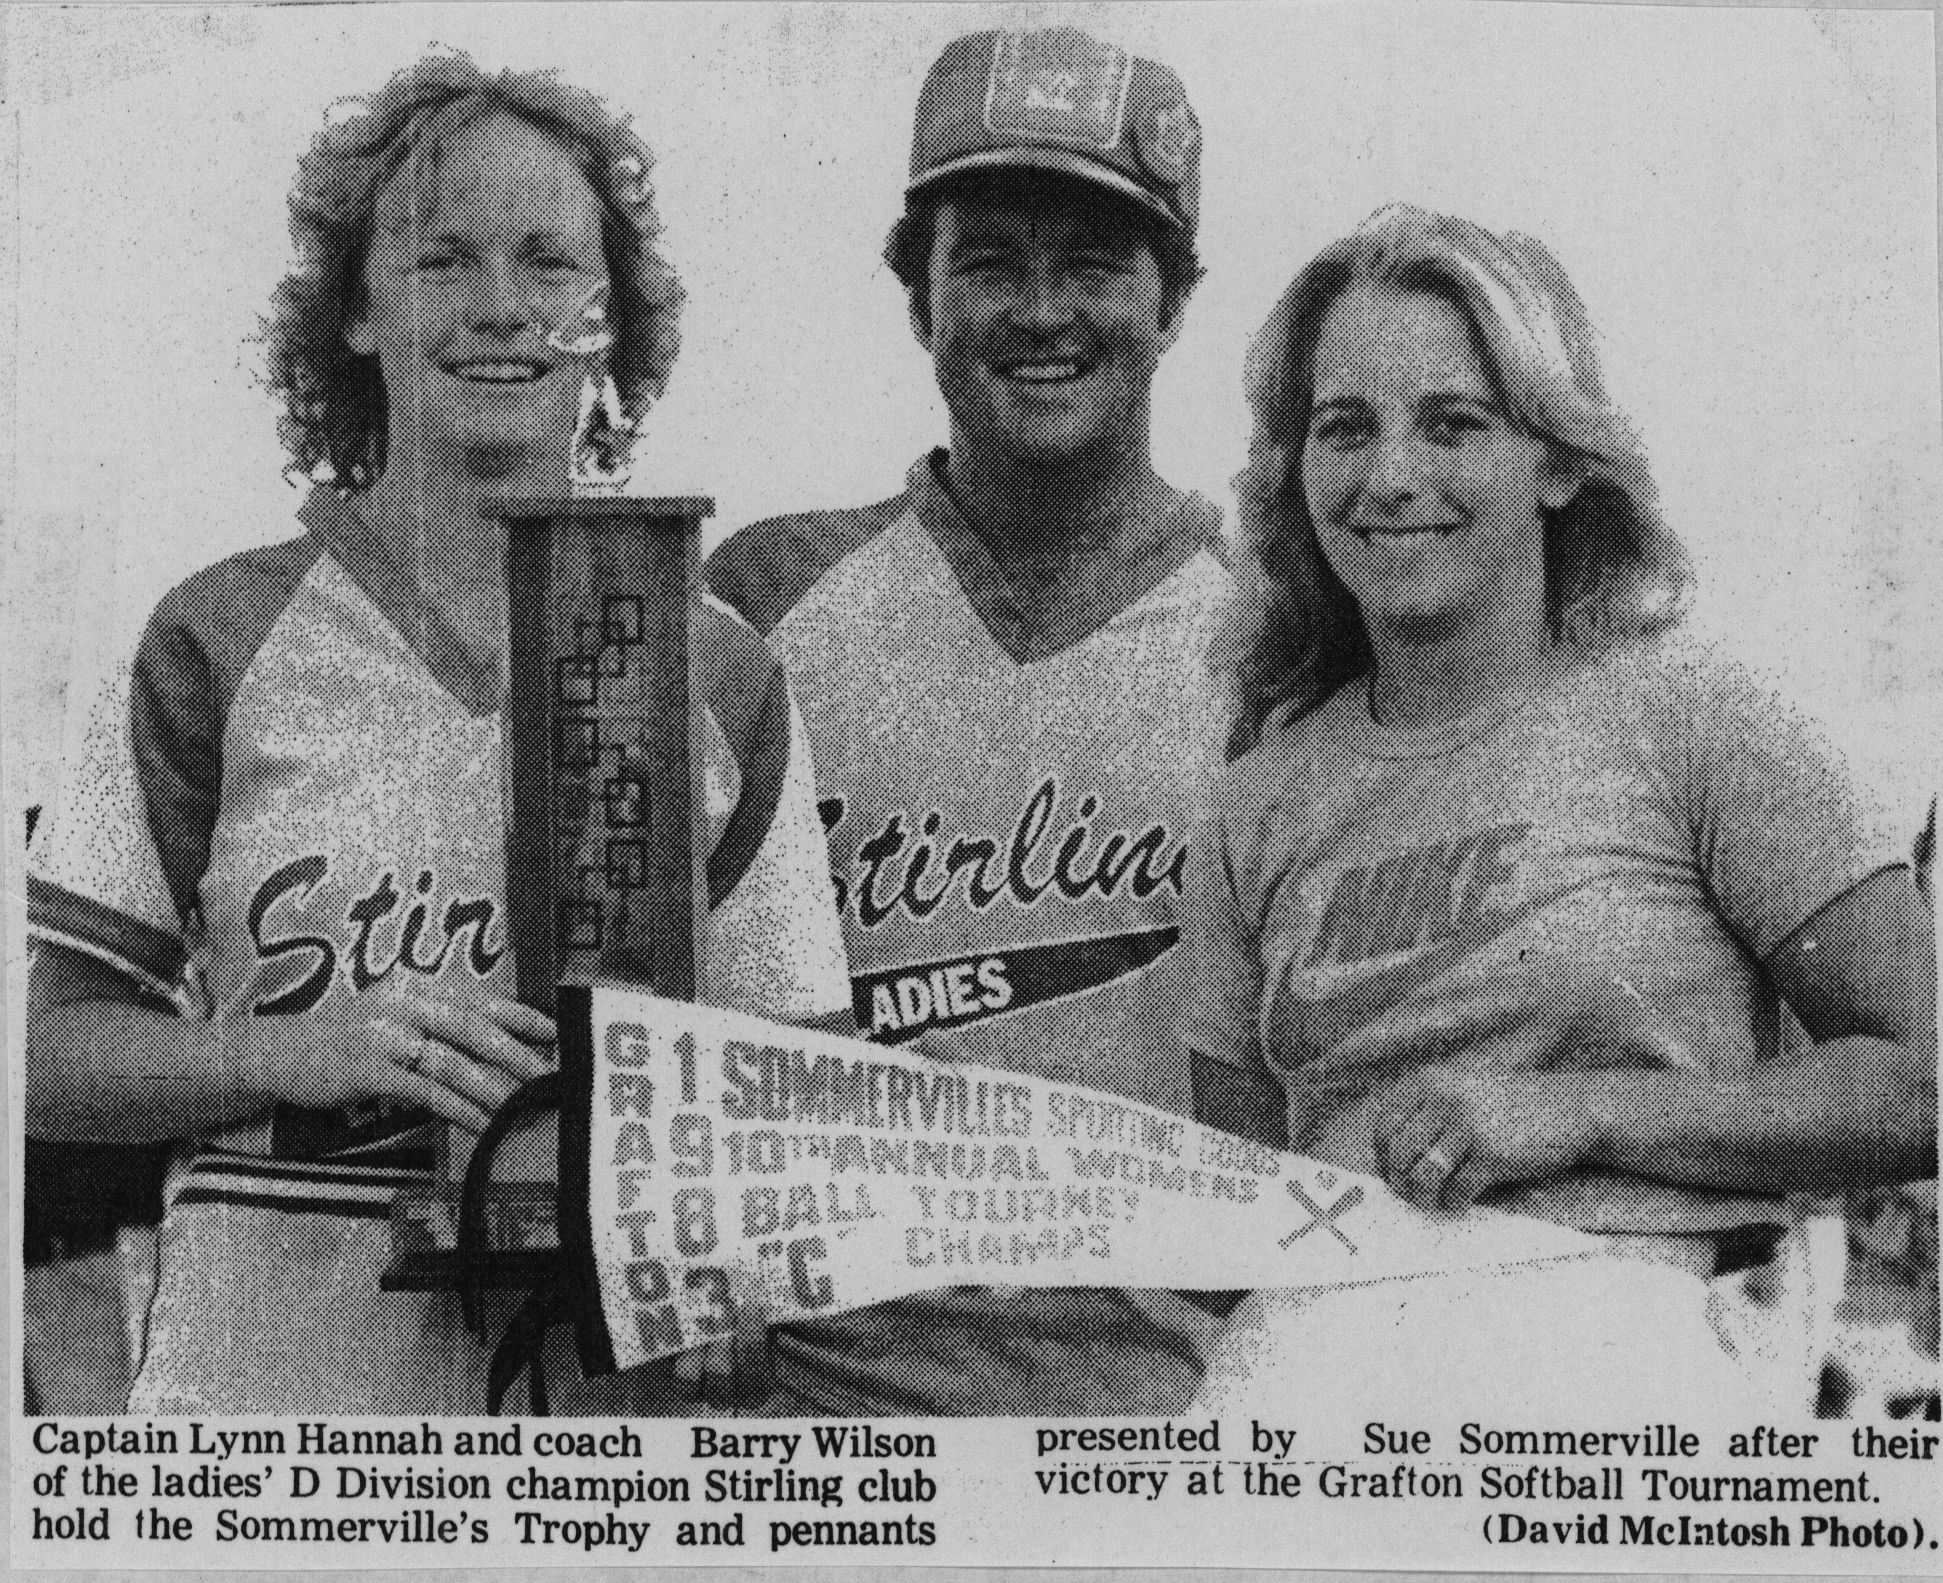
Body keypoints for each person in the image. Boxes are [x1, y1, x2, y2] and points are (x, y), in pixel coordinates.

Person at [25, 52, 850, 1415]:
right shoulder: (214, 633)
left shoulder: (715, 662)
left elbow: (797, 1090)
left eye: (550, 262)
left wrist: (728, 1253)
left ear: (614, 315)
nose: (501, 307)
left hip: (595, 1399)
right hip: (279, 1390)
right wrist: (283, 1047)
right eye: (440, 260)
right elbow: (41, 1056)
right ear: (351, 311)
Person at [1181, 204, 1936, 1415]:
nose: (1389, 476)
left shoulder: (1691, 714)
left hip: (1622, 1389)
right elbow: (1236, 1224)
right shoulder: (1249, 804)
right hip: (1313, 1397)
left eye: (1452, 424)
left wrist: (1572, 1110)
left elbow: (1925, 1082)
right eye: (1342, 428)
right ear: (1294, 466)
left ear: (1557, 457)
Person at [706, 25, 1234, 1414]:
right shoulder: (763, 598)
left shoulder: (1283, 626)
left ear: (1170, 300)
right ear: (917, 296)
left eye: (1094, 264)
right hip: (822, 1407)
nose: (1041, 309)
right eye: (989, 260)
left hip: (1171, 1409)